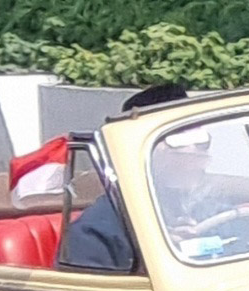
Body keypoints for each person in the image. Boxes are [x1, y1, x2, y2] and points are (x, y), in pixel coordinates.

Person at [63, 82, 190, 272]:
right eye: (176, 140)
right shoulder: (94, 233)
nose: (192, 151)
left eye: (201, 140)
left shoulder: (206, 205)